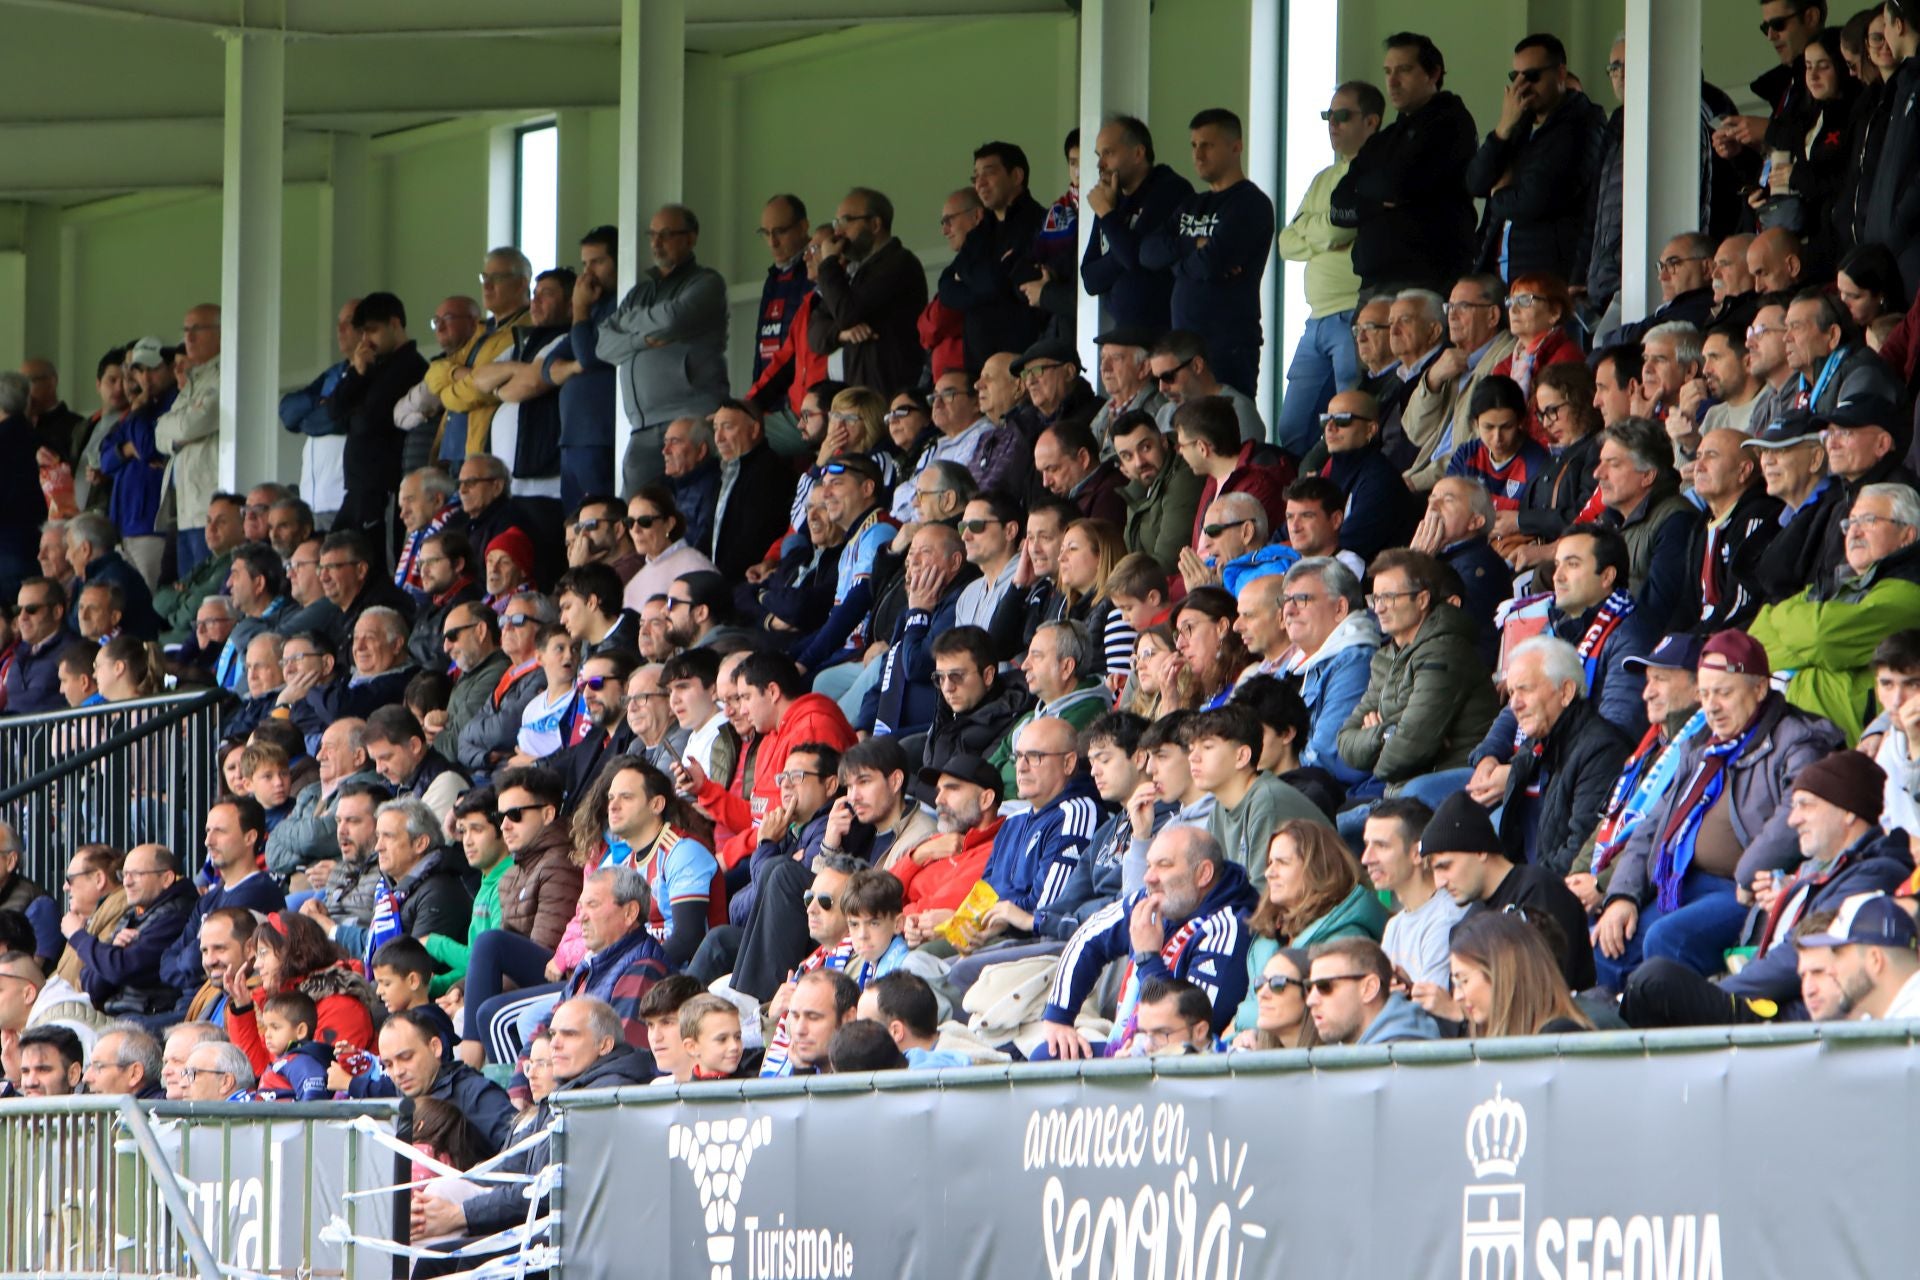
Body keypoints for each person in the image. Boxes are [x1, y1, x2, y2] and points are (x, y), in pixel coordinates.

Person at [1595, 629, 1841, 990]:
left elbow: (1795, 813)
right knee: (1606, 944)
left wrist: (1747, 873)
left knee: (1667, 939)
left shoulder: (1796, 738)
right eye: (1706, 694)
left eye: (1724, 693)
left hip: (1743, 892)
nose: (1711, 706)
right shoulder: (1701, 747)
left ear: (1759, 689)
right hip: (1679, 884)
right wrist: (1622, 895)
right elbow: (1652, 827)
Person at [1623, 748, 1916, 1027]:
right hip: (1764, 1002)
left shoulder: (1874, 872)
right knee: (1624, 993)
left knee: (1655, 979)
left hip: (1785, 1017)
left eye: (1806, 805)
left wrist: (1717, 997)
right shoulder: (1829, 871)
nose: (1793, 818)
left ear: (1848, 812)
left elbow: (1795, 958)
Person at [1038, 825, 1257, 1060]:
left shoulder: (1228, 927)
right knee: (1050, 1052)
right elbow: (1088, 938)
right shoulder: (1156, 898)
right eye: (1150, 864)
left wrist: (1147, 957)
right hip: (1131, 1048)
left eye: (1164, 865)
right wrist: (1058, 1019)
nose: (1149, 877)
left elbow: (1184, 1029)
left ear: (1203, 874)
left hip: (1177, 1066)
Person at [1750, 482, 1920, 742]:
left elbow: (1823, 639)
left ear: (1907, 535)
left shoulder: (1910, 590)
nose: (1855, 532)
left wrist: (1784, 622)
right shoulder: (1839, 579)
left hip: (1854, 743)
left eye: (1869, 520)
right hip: (1804, 729)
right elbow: (1756, 645)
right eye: (1850, 523)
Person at [1335, 549, 1499, 806]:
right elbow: (1345, 742)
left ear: (1422, 600)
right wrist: (1387, 732)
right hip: (1401, 790)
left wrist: (1379, 740)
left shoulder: (1445, 650)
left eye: (1389, 597)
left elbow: (1410, 747)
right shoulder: (1385, 657)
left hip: (1447, 792)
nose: (1378, 608)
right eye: (1375, 598)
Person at [1275, 82, 1381, 455]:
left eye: (1342, 116)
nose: (1333, 124)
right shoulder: (1323, 178)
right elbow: (1286, 242)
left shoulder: (1374, 169)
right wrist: (1326, 235)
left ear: (1371, 122)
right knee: (1291, 426)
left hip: (1353, 314)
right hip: (1315, 320)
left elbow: (1341, 225)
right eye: (1328, 116)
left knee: (1349, 420)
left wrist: (1318, 230)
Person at [1330, 31, 1479, 292]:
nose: (1393, 82)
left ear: (1433, 74)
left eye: (1404, 70)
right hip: (1373, 284)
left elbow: (1399, 184)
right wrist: (1377, 204)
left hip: (1427, 280)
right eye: (1388, 72)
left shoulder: (1451, 123)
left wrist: (1367, 192)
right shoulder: (1383, 139)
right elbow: (1338, 206)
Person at [595, 205, 729, 493]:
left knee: (693, 507)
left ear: (691, 238)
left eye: (666, 235)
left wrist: (629, 321)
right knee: (635, 518)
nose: (656, 243)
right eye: (652, 235)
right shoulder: (639, 293)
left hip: (690, 417)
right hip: (643, 427)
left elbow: (672, 319)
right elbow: (603, 345)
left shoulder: (706, 282)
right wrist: (641, 340)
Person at [1422, 790, 1595, 988]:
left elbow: (1545, 990)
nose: (1439, 883)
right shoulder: (1466, 925)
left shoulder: (1540, 889)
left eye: (1445, 866)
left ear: (1480, 850)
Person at [1466, 35, 1604, 282]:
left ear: (1560, 73)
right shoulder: (1518, 124)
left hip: (1546, 275)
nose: (1522, 86)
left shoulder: (1583, 122)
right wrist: (1503, 128)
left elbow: (1534, 200)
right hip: (1498, 272)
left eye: (1531, 76)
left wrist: (1497, 194)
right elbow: (1475, 182)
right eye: (1514, 77)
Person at [1493, 636, 1636, 873]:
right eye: (1510, 693)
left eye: (1524, 690)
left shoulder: (1601, 750)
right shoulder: (1538, 741)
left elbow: (1579, 852)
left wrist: (1519, 887)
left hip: (1554, 893)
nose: (1514, 704)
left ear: (1566, 691)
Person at [1237, 819, 1386, 1032]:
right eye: (1269, 863)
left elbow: (1321, 1016)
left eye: (1282, 862)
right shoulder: (1266, 941)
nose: (1269, 873)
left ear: (1318, 870)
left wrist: (1244, 1015)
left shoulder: (1346, 938)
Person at [810, 187, 927, 397]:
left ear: (875, 224)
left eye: (846, 221)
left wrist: (828, 263)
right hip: (861, 395)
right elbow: (815, 332)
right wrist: (841, 334)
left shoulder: (898, 263)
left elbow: (847, 313)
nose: (838, 233)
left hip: (892, 395)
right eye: (837, 223)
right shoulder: (853, 271)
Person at [1681, 426, 1785, 632]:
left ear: (1743, 470)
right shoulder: (1702, 524)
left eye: (1711, 456)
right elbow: (1686, 604)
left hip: (1731, 639)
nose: (1698, 466)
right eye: (1699, 456)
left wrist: (1696, 641)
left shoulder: (1759, 517)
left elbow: (1743, 603)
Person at [1362, 796, 1465, 989]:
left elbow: (1434, 1012)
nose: (1366, 858)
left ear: (1417, 853)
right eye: (1367, 845)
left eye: (1381, 846)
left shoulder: (1446, 919)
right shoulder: (1394, 926)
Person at [1447, 909, 1593, 1038]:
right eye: (1455, 984)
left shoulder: (1560, 1034)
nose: (1457, 996)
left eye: (1464, 981)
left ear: (1502, 973)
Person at [153, 304, 221, 575]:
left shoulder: (226, 373)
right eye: (186, 330)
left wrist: (177, 432)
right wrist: (177, 433)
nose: (188, 338)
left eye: (197, 329)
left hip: (208, 508)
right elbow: (159, 433)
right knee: (188, 592)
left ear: (221, 332)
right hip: (183, 511)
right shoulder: (193, 380)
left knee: (208, 596)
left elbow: (190, 424)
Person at [708, 400, 797, 583]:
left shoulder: (770, 473)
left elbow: (752, 543)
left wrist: (714, 583)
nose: (718, 438)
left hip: (748, 582)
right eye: (716, 429)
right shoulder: (726, 471)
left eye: (727, 427)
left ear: (754, 430)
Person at [1796, 890, 1920, 1019]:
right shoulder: (1885, 1019)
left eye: (1838, 955)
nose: (1831, 970)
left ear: (1875, 959)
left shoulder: (1913, 1019)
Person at [1304, 936, 1442, 1045]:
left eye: (1324, 986)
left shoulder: (1406, 1057)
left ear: (1369, 988)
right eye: (1309, 987)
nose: (1310, 1000)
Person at [82, 1022, 164, 1098]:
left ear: (135, 1074)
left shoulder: (164, 1112)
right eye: (88, 1067)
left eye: (98, 1066)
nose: (85, 1078)